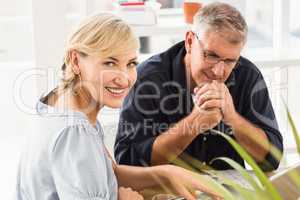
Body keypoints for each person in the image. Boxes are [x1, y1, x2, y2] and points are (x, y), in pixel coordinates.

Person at [15, 13, 222, 200]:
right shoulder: (75, 132)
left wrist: (165, 174)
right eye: (110, 63)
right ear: (75, 60)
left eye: (131, 63)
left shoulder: (57, 103)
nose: (124, 79)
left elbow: (105, 173)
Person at [114, 2, 283, 171]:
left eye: (230, 61)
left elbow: (272, 159)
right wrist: (194, 123)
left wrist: (232, 118)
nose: (218, 71)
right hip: (166, 194)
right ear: (189, 42)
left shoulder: (247, 75)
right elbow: (128, 162)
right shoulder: (147, 79)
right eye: (211, 55)